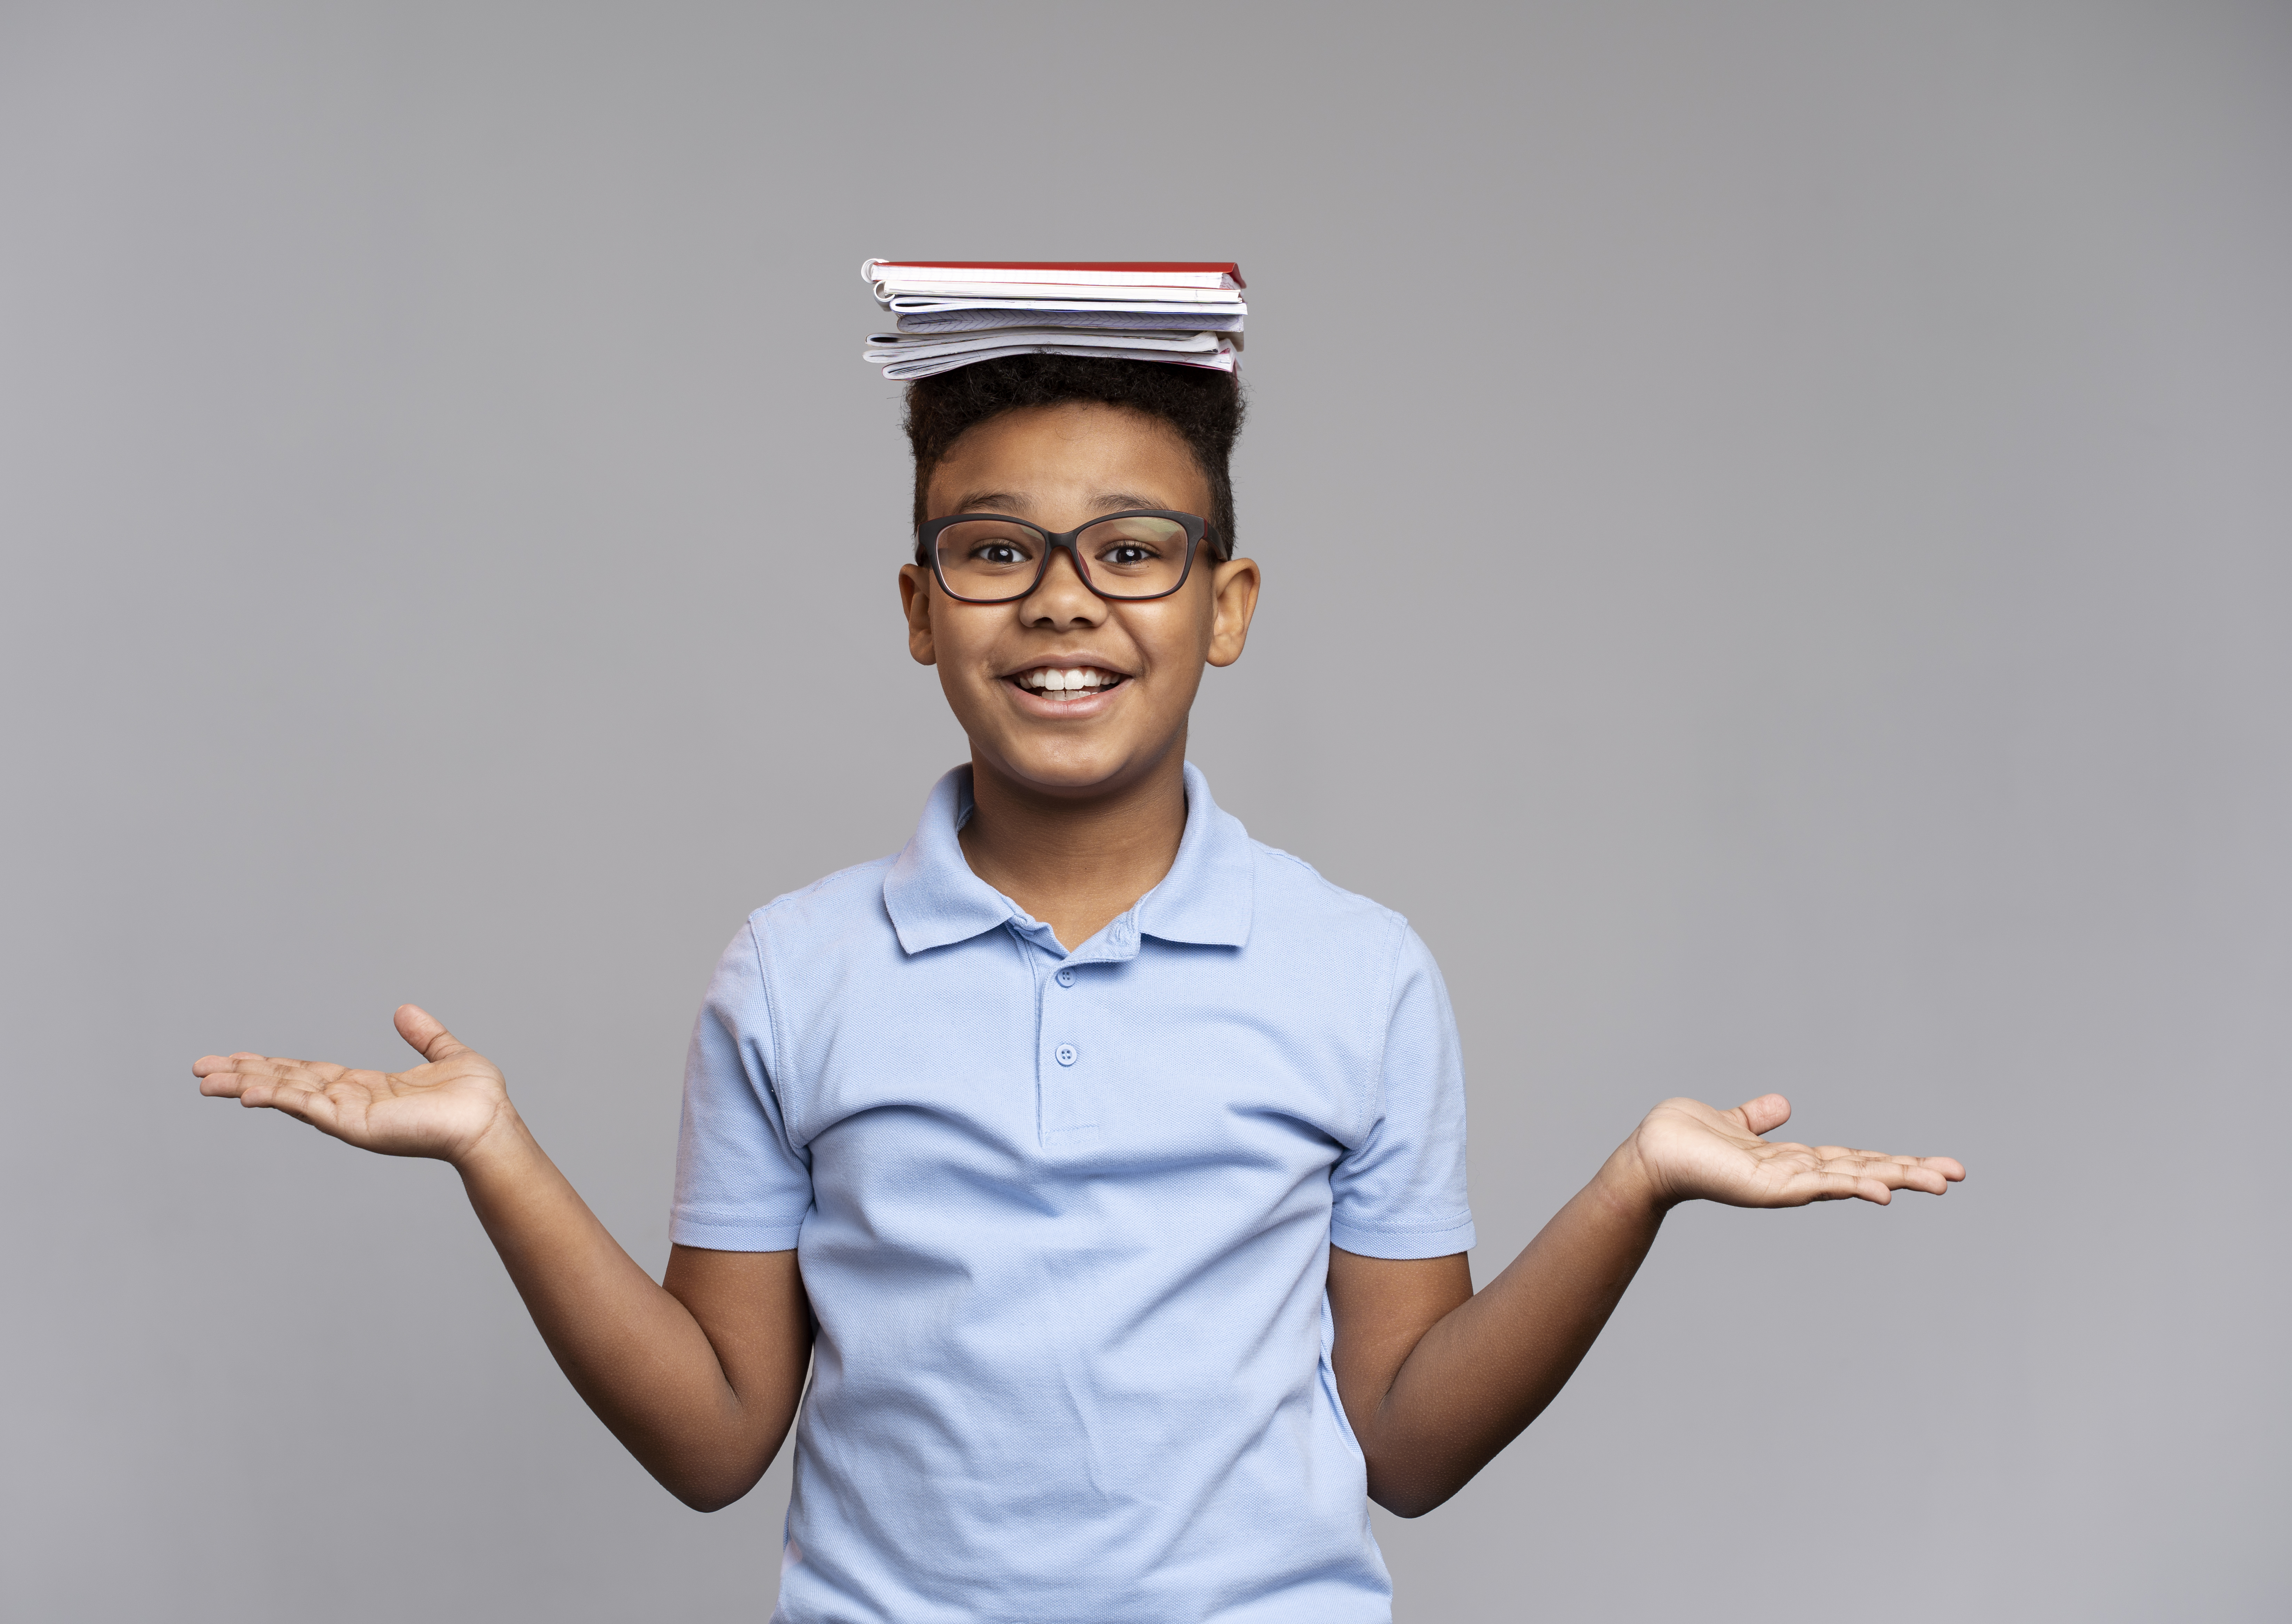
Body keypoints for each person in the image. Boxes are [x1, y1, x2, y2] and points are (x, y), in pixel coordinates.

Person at [195, 354, 1963, 1623]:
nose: (1062, 603)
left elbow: (1406, 1441)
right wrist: (497, 1151)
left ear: (1227, 603)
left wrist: (1635, 1183)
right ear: (918, 603)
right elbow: (720, 1433)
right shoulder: (796, 971)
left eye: (1133, 549)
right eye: (994, 550)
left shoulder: (1355, 971)